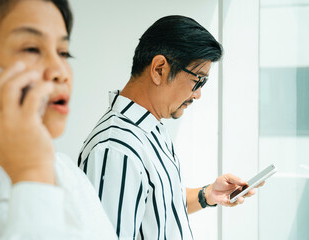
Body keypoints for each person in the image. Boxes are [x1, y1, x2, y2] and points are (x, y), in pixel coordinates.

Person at [78, 15, 259, 240]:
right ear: (159, 69)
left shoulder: (148, 129)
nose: (198, 94)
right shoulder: (116, 149)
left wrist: (208, 194)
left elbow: (156, 205)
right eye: (198, 80)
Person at [0, 0, 116, 239]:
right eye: (32, 49)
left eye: (63, 52)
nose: (60, 71)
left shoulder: (68, 171)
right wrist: (31, 174)